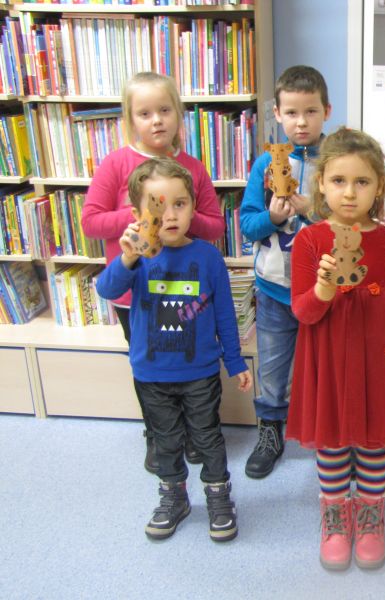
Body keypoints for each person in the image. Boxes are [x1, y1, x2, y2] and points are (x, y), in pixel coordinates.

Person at [285, 127, 385, 570]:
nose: (349, 193)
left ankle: (369, 515)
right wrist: (324, 289)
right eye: (339, 181)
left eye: (362, 182)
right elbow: (303, 312)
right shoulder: (309, 240)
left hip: (380, 362)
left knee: (374, 441)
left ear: (379, 187)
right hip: (329, 361)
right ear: (321, 183)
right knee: (331, 442)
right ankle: (334, 515)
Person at [96, 157, 252, 542]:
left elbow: (224, 314)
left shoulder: (208, 257)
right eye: (157, 206)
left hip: (199, 372)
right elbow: (107, 290)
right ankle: (174, 497)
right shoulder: (137, 258)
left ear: (193, 207)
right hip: (151, 374)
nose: (169, 215)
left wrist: (234, 362)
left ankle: (218, 495)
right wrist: (127, 256)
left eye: (179, 204)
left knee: (208, 438)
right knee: (164, 442)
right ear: (137, 214)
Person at [81, 71, 225, 474]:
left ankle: (194, 432)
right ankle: (158, 434)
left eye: (164, 110)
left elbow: (216, 226)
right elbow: (90, 222)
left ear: (179, 114)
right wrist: (141, 216)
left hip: (185, 287)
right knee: (147, 365)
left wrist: (182, 215)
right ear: (130, 120)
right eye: (144, 113)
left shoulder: (192, 168)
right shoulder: (116, 163)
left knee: (187, 360)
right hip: (136, 293)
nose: (157, 120)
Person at [239, 65, 331, 479]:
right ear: (277, 114)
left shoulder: (336, 160)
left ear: (326, 111)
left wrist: (312, 211)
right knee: (274, 369)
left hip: (325, 291)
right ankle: (270, 430)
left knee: (326, 365)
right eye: (291, 113)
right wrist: (273, 219)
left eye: (311, 111)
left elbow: (348, 225)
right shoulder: (266, 164)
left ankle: (327, 429)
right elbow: (248, 225)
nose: (301, 122)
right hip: (275, 289)